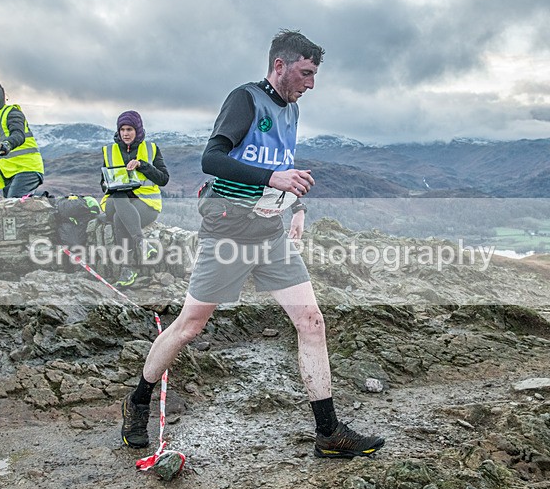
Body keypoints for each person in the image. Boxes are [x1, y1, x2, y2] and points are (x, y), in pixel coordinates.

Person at [121, 30, 385, 458]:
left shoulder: (292, 111)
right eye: (305, 72)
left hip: (269, 231)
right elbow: (213, 158)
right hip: (228, 229)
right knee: (191, 326)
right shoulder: (245, 99)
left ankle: (329, 432)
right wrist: (271, 179)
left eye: (315, 75)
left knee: (311, 321)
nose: (310, 83)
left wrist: (295, 205)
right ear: (279, 65)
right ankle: (137, 401)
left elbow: (281, 167)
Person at [100, 110, 168, 287]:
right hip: (114, 202)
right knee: (118, 195)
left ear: (137, 129)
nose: (125, 133)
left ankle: (127, 269)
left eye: (129, 129)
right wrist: (109, 185)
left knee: (119, 219)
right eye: (122, 129)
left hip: (145, 203)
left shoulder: (151, 149)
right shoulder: (109, 150)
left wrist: (142, 165)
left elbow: (164, 179)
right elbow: (102, 183)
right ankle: (141, 243)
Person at [0, 79, 44, 198]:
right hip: (7, 174)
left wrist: (8, 144)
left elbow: (18, 134)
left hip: (26, 169)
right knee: (8, 208)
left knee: (14, 204)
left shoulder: (12, 112)